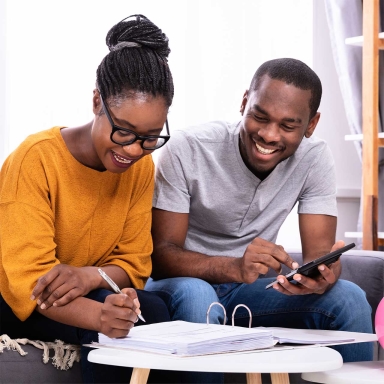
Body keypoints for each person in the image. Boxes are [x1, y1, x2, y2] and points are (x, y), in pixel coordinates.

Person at [145, 58, 374, 383]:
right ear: (244, 103)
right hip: (180, 286)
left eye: (288, 125)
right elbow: (161, 256)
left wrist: (323, 273)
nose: (268, 134)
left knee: (348, 297)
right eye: (259, 117)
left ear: (311, 124)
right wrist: (234, 267)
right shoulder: (189, 147)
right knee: (199, 296)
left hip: (248, 291)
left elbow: (317, 258)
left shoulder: (315, 157)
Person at [0, 14, 176, 384]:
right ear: (97, 101)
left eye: (150, 136)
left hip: (89, 289)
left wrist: (86, 276)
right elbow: (27, 282)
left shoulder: (141, 168)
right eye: (124, 131)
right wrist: (100, 315)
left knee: (157, 308)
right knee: (110, 320)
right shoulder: (36, 159)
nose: (135, 149)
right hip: (20, 296)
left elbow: (134, 264)